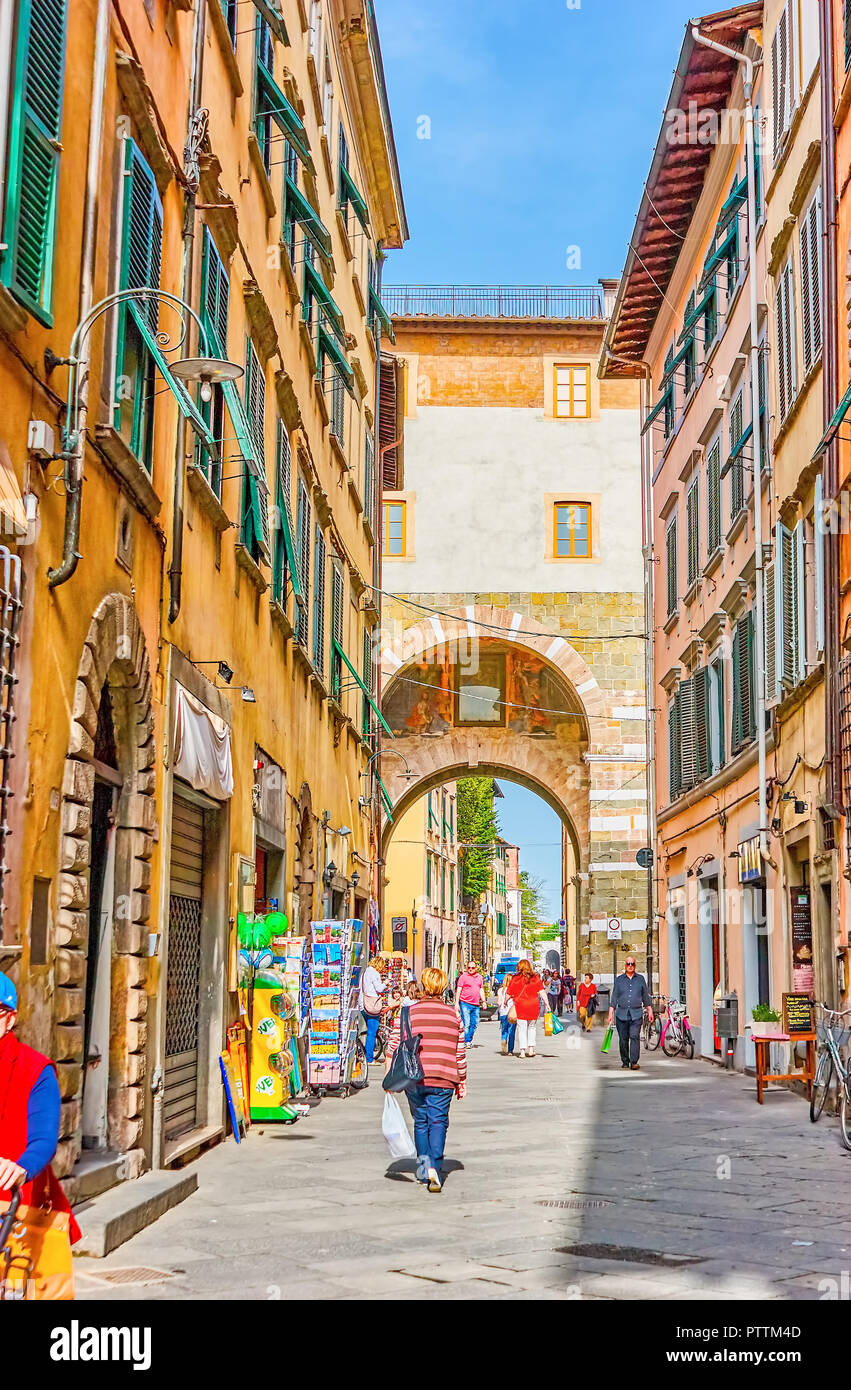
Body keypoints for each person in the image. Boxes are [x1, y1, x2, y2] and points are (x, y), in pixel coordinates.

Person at [0, 972, 80, 1241]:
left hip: (15, 1202)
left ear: (10, 1019)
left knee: (19, 1279)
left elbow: (43, 1140)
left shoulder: (35, 1069)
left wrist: (22, 1168)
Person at [385, 967, 466, 1194]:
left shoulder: (408, 1013)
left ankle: (423, 1169)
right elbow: (459, 1053)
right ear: (443, 987)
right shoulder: (453, 1015)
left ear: (422, 985)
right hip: (444, 1075)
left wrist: (388, 1077)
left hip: (415, 1077)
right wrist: (462, 1079)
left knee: (420, 1122)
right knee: (438, 1121)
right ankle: (436, 1170)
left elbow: (393, 1045)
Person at [608, 955, 653, 1071]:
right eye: (628, 964)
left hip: (636, 1014)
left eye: (632, 964)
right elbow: (614, 997)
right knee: (623, 1039)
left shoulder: (640, 979)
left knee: (634, 1036)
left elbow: (645, 996)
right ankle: (625, 1060)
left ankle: (634, 1062)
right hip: (621, 1014)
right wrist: (610, 1013)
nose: (630, 966)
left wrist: (650, 1010)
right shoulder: (619, 980)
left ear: (635, 965)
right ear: (625, 966)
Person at [506, 959, 549, 1058]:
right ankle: (531, 1049)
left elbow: (509, 993)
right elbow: (542, 992)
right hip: (533, 1005)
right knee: (532, 1027)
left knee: (522, 1028)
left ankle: (522, 1051)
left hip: (520, 1005)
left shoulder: (515, 978)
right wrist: (547, 1004)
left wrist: (505, 1001)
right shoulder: (535, 978)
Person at [360, 956, 390, 1062]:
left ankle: (365, 1053)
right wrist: (386, 982)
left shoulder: (365, 973)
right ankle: (369, 1058)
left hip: (363, 1005)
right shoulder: (375, 973)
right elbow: (379, 988)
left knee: (370, 1031)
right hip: (372, 1005)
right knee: (372, 1032)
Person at [455, 960, 486, 1049]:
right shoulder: (463, 977)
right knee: (466, 1023)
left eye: (472, 968)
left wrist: (483, 1001)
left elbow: (481, 989)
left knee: (475, 1023)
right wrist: (457, 1003)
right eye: (469, 968)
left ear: (476, 968)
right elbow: (459, 990)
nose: (470, 969)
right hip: (465, 1003)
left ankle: (468, 1039)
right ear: (466, 968)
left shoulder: (479, 977)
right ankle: (467, 1041)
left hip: (476, 1004)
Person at [496, 975, 516, 1056]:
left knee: (504, 1030)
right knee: (511, 1031)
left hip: (503, 1013)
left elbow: (499, 1002)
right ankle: (510, 1050)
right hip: (512, 1013)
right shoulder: (514, 990)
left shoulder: (500, 990)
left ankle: (504, 1041)